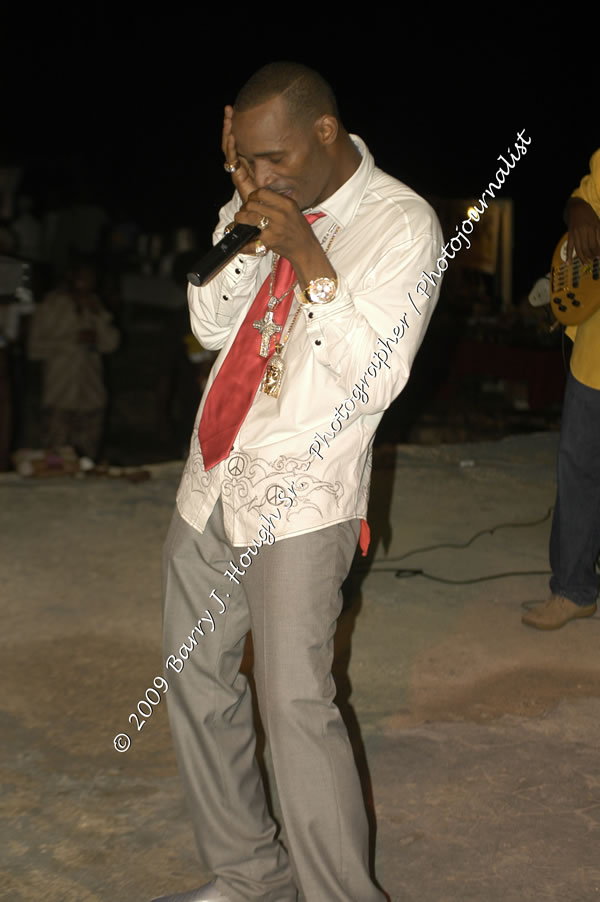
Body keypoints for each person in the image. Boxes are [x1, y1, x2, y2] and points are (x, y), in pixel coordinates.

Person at [155, 62, 443, 902]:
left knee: (293, 705)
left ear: (325, 132)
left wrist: (311, 257)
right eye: (246, 160)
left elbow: (373, 379)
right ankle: (248, 871)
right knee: (195, 677)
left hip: (301, 496)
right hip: (214, 477)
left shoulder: (402, 224)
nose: (263, 176)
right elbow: (210, 324)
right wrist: (240, 209)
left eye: (274, 159)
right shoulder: (259, 200)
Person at [522, 149, 600, 630]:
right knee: (578, 469)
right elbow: (579, 199)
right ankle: (573, 589)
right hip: (595, 352)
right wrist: (581, 212)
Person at [28, 260, 119, 460]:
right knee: (56, 459)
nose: (86, 283)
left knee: (88, 459)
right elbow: (35, 348)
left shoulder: (95, 305)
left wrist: (97, 316)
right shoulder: (52, 305)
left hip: (91, 397)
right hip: (59, 397)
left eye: (91, 278)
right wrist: (73, 341)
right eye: (82, 277)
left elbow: (111, 344)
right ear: (72, 277)